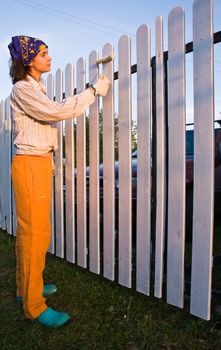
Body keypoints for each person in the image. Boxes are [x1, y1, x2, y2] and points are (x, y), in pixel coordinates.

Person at [8, 35, 110, 328]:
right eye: (43, 53)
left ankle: (26, 289)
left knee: (37, 232)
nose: (49, 57)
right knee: (33, 234)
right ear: (27, 60)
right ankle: (34, 306)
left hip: (38, 163)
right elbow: (55, 112)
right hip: (30, 163)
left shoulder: (35, 88)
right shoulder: (22, 89)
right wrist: (93, 91)